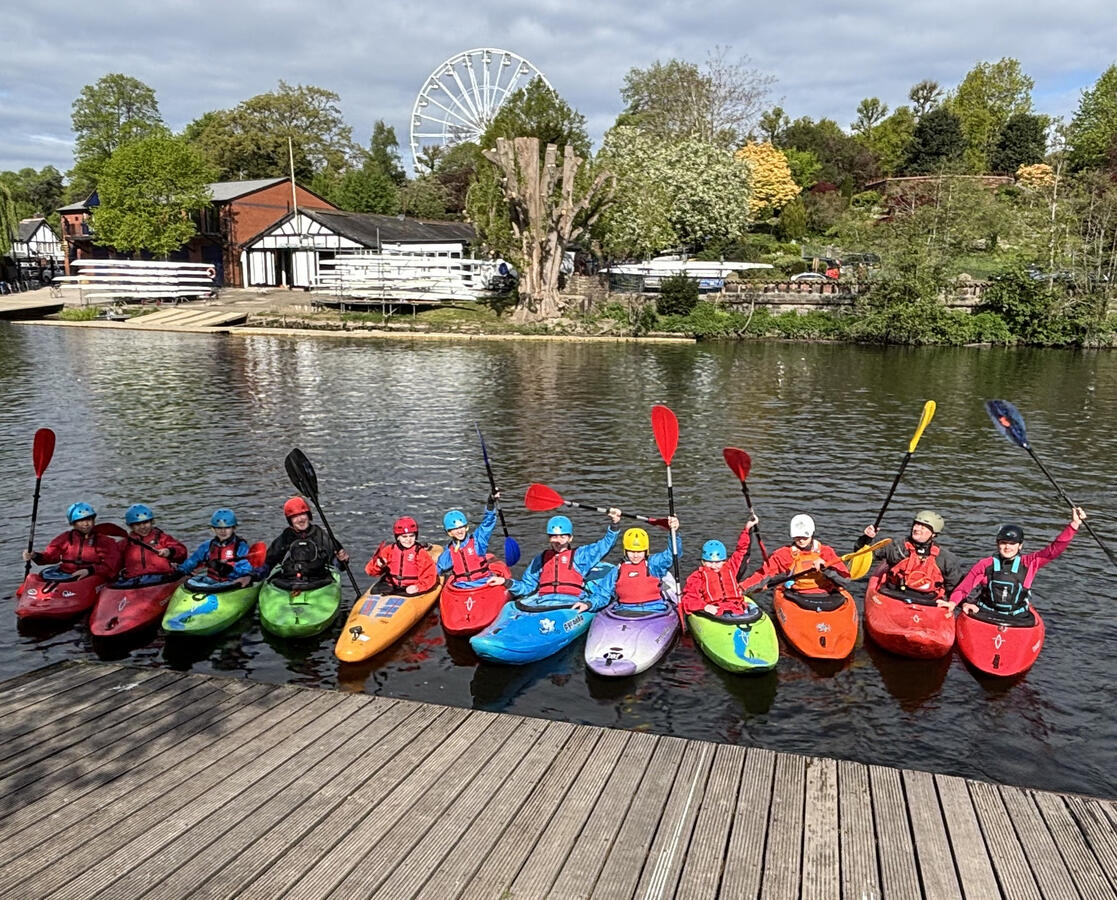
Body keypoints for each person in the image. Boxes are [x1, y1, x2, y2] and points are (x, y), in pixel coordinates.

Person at [945, 507, 1086, 619]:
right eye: (1003, 543)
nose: (1007, 547)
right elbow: (964, 588)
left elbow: (1054, 549)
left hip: (1017, 616)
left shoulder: (1029, 563)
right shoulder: (985, 564)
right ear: (997, 544)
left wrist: (1073, 525)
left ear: (1020, 546)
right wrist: (953, 603)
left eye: (1012, 544)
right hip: (985, 613)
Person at [491, 508, 622, 612]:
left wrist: (614, 524)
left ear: (570, 538)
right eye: (554, 537)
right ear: (549, 538)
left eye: (562, 537)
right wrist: (505, 581)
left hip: (570, 602)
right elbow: (527, 587)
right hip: (542, 602)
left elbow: (605, 545)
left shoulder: (581, 555)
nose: (558, 541)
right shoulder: (541, 559)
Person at [860, 510, 966, 603]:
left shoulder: (945, 558)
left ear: (933, 533)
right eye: (916, 525)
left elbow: (955, 587)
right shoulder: (897, 547)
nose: (917, 529)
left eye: (923, 526)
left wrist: (962, 603)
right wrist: (866, 539)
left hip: (928, 601)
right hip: (893, 594)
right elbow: (865, 556)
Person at [739, 513, 850, 595]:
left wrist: (827, 568)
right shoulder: (783, 554)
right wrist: (741, 589)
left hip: (826, 594)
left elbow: (845, 580)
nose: (801, 541)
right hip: (797, 596)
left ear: (812, 534)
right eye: (798, 537)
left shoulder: (826, 552)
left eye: (804, 537)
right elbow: (762, 575)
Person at [680, 515, 759, 616]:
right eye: (709, 562)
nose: (713, 566)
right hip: (716, 612)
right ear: (703, 562)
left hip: (736, 608)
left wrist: (747, 528)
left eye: (717, 562)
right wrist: (704, 606)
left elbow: (742, 550)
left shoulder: (730, 568)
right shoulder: (697, 577)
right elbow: (688, 599)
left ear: (724, 561)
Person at [263, 496, 350, 588]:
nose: (300, 519)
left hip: (318, 582)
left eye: (302, 514)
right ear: (290, 521)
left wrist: (342, 561)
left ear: (308, 515)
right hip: (288, 582)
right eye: (295, 517)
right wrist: (253, 576)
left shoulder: (320, 535)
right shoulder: (285, 537)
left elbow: (338, 564)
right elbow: (269, 561)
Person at [21, 502, 121, 580]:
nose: (86, 524)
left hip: (91, 576)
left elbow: (112, 564)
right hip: (67, 575)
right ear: (73, 523)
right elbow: (50, 556)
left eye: (89, 520)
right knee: (33, 578)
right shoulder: (65, 538)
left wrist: (89, 570)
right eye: (81, 521)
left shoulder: (105, 541)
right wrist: (35, 556)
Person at [595, 519, 681, 609]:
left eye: (639, 552)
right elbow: (603, 593)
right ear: (625, 551)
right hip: (624, 611)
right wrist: (588, 604)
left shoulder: (654, 565)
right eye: (632, 551)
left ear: (646, 551)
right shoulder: (618, 570)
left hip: (654, 610)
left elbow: (672, 554)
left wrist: (674, 533)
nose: (635, 556)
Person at [436, 495, 510, 589]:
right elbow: (438, 568)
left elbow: (487, 524)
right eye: (455, 529)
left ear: (466, 527)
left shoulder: (478, 541)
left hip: (484, 582)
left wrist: (490, 503)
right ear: (449, 532)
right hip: (460, 587)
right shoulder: (449, 551)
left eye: (461, 527)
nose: (459, 531)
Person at [178, 508, 262, 588]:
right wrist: (179, 571)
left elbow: (246, 569)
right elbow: (192, 561)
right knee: (192, 582)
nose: (223, 531)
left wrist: (228, 570)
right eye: (219, 528)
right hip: (211, 581)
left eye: (227, 528)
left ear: (234, 528)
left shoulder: (241, 547)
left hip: (232, 582)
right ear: (213, 529)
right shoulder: (207, 546)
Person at [365, 516, 439, 595]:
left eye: (411, 536)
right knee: (376, 590)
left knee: (410, 591)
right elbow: (370, 571)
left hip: (412, 587)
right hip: (391, 585)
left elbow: (429, 575)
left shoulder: (420, 553)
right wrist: (378, 566)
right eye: (404, 537)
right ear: (398, 538)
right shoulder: (389, 550)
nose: (408, 540)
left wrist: (418, 587)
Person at [118, 504, 187, 583]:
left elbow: (182, 551)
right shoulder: (124, 543)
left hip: (161, 578)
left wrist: (169, 551)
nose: (142, 527)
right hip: (134, 581)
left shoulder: (163, 538)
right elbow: (113, 562)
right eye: (137, 524)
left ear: (152, 522)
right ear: (130, 526)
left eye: (145, 522)